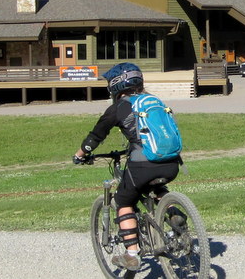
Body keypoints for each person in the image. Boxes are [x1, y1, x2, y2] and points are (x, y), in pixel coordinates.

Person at [73, 62, 181, 271]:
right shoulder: (154, 101)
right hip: (171, 163)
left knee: (123, 201)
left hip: (143, 165)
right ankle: (175, 214)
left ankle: (132, 254)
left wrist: (80, 155)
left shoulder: (120, 107)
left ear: (115, 85)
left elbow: (96, 135)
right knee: (156, 189)